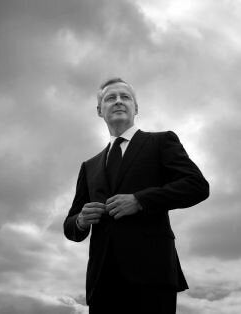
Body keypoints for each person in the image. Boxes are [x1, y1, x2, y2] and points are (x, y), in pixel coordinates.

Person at [63, 77, 209, 313]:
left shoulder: (161, 142)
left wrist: (140, 200)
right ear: (100, 110)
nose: (119, 101)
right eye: (111, 98)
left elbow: (197, 186)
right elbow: (70, 227)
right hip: (102, 284)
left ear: (136, 108)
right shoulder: (89, 166)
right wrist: (80, 220)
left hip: (152, 277)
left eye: (125, 97)